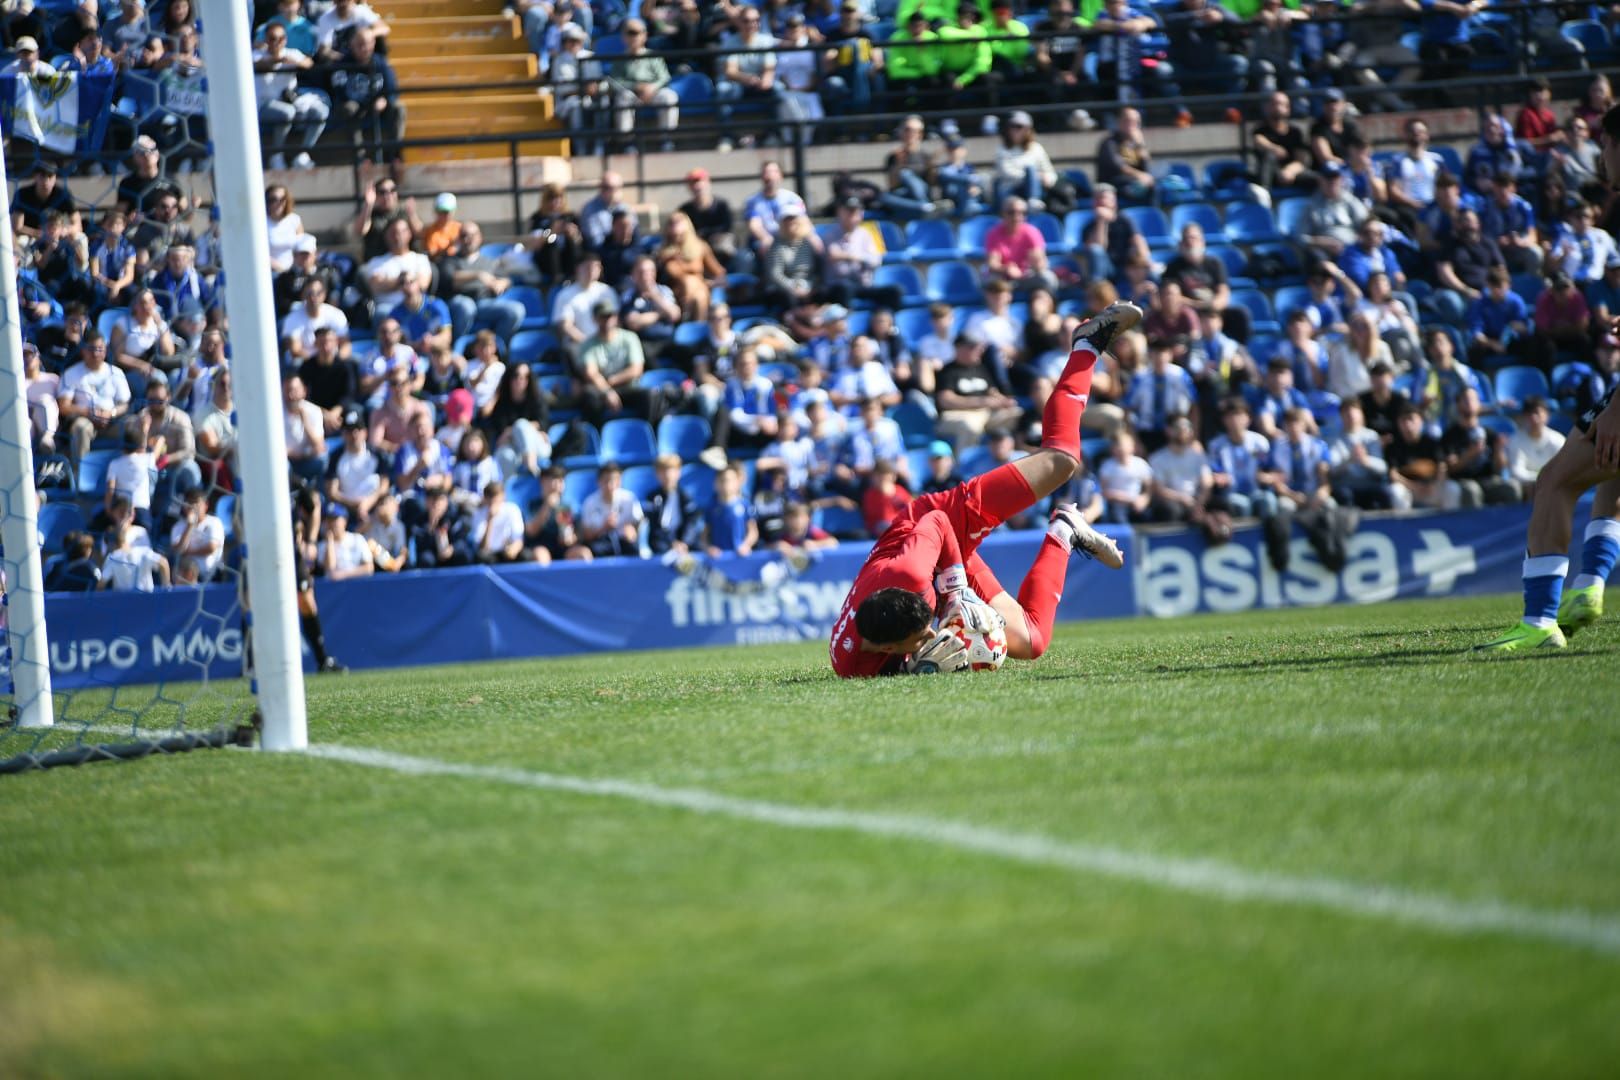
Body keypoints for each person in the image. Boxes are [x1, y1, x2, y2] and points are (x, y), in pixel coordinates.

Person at [828, 304, 1140, 677]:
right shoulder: (855, 666)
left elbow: (938, 521)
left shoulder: (909, 576)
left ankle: (1086, 345)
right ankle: (1065, 529)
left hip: (935, 524)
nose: (932, 633)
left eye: (928, 628)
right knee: (1032, 640)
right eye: (925, 633)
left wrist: (956, 593)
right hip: (935, 571)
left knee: (1061, 462)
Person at [645, 453, 705, 555]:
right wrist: (671, 543)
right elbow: (654, 527)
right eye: (663, 471)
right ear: (657, 474)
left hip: (684, 543)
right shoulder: (652, 498)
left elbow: (692, 522)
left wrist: (684, 542)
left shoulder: (686, 497)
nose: (667, 475)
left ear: (678, 473)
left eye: (671, 470)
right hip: (662, 543)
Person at [100, 523, 170, 592]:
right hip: (147, 600)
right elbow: (163, 563)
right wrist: (165, 589)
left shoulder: (112, 558)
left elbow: (100, 585)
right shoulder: (144, 552)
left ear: (110, 544)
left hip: (124, 602)